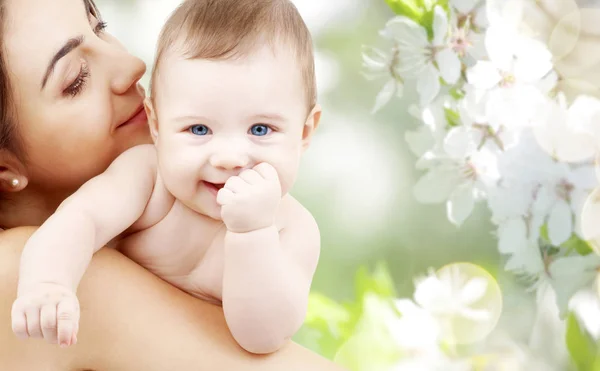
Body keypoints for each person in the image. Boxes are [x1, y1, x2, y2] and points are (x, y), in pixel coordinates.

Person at [0, 0, 344, 369]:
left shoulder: (290, 227)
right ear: (157, 122)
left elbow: (264, 338)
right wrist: (48, 283)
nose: (228, 157)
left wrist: (252, 236)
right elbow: (80, 220)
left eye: (260, 129)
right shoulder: (147, 179)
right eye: (75, 79)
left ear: (305, 131)